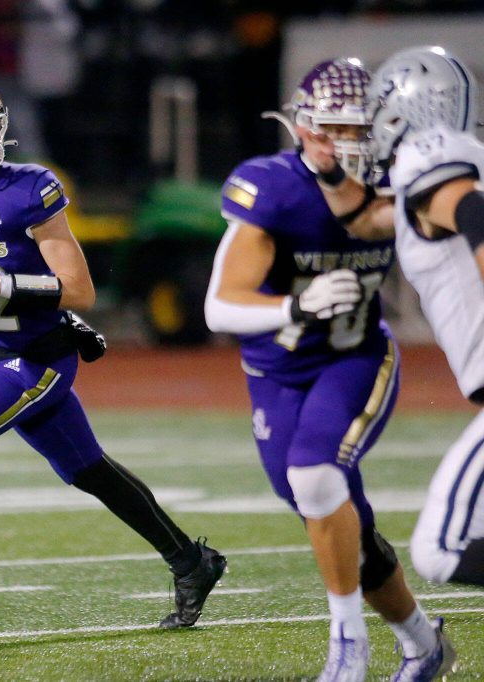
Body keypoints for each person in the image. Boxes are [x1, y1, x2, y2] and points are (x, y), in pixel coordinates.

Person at [0, 76, 226, 629]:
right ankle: (191, 562)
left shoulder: (28, 189)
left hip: (39, 357)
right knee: (90, 471)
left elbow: (80, 290)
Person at [205, 58, 453, 682]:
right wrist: (294, 305)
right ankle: (423, 644)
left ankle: (348, 649)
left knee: (315, 476)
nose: (340, 143)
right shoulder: (275, 188)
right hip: (274, 371)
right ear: (301, 126)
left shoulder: (401, 183)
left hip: (355, 357)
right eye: (329, 128)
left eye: (354, 129)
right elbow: (219, 307)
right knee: (342, 523)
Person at [359, 46, 484, 589]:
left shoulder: (433, 162)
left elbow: (472, 211)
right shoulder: (446, 170)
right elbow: (369, 218)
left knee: (440, 552)